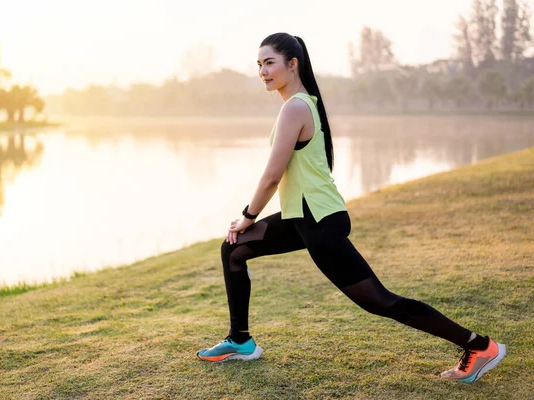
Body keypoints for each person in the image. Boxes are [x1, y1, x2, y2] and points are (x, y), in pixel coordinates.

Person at [196, 32, 506, 382]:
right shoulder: (300, 104)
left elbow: (272, 175)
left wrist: (247, 216)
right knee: (233, 250)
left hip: (319, 222)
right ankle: (240, 341)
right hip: (303, 216)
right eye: (259, 65)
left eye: (270, 63)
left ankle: (479, 346)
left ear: (292, 64)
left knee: (379, 301)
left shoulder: (295, 107)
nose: (263, 71)